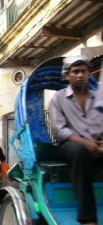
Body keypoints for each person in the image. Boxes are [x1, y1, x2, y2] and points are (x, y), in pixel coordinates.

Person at [49, 55, 103, 225]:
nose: (80, 75)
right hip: (70, 146)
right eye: (76, 71)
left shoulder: (97, 98)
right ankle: (88, 218)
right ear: (67, 75)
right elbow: (59, 130)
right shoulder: (58, 98)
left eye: (83, 71)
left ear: (89, 74)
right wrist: (86, 143)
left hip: (95, 144)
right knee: (79, 151)